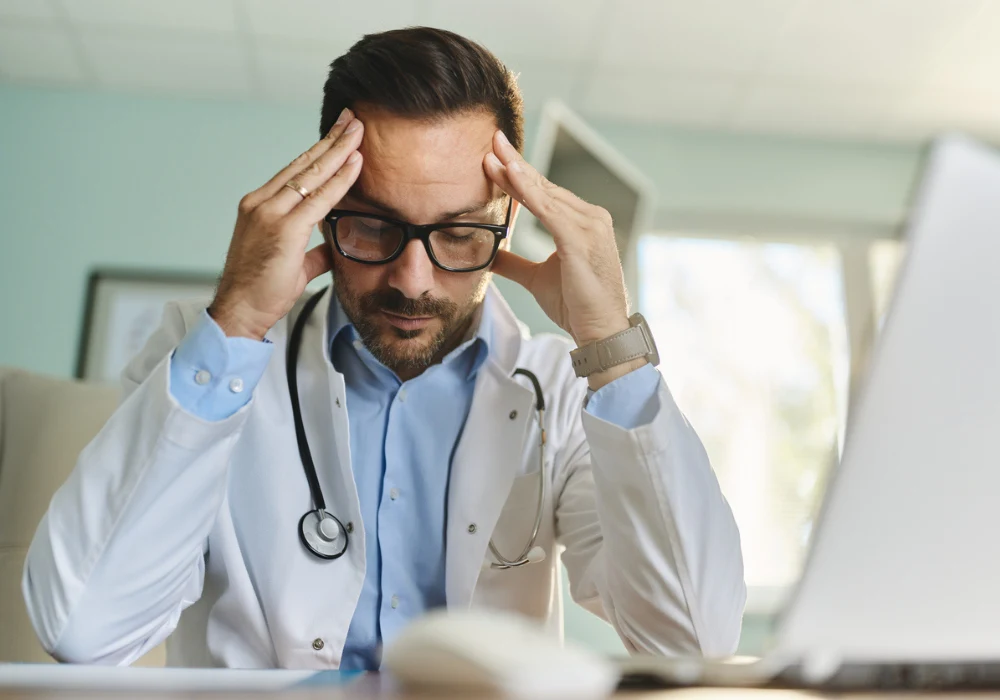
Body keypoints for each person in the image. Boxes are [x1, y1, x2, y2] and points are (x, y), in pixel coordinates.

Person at [23, 27, 745, 669]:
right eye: (371, 226)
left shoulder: (554, 386)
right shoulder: (208, 358)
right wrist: (238, 320)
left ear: (510, 217)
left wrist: (612, 350)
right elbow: (85, 630)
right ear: (318, 205)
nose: (412, 278)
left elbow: (692, 640)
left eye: (459, 232)